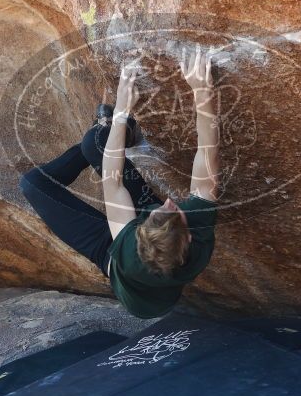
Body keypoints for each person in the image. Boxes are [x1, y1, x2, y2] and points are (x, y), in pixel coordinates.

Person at [20, 49, 220, 318]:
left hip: (111, 258)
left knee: (33, 184)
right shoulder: (198, 238)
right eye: (173, 211)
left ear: (138, 229)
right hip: (148, 240)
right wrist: (202, 92)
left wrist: (121, 112)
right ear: (189, 237)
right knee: (95, 144)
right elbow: (208, 153)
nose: (168, 202)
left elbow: (113, 182)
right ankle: (109, 135)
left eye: (162, 210)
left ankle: (103, 132)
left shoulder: (127, 247)